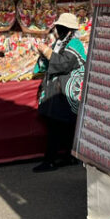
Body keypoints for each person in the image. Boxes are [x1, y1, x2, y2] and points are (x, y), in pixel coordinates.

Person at [32, 12, 86, 173]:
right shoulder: (59, 42)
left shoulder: (75, 44)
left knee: (58, 125)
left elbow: (64, 64)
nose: (58, 29)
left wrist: (48, 53)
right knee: (61, 124)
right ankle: (69, 157)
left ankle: (50, 160)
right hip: (56, 89)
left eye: (61, 27)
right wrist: (43, 55)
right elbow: (47, 64)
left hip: (67, 91)